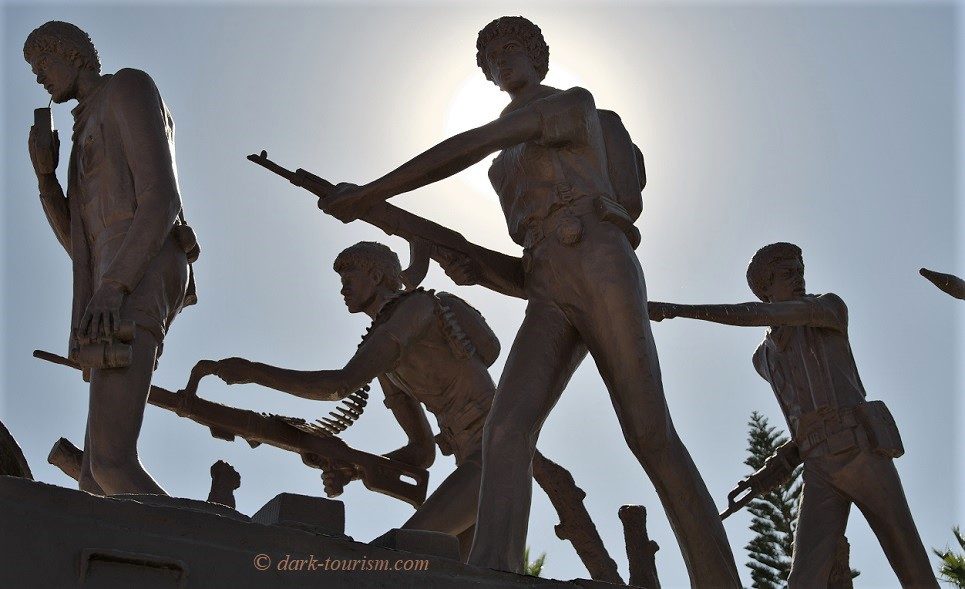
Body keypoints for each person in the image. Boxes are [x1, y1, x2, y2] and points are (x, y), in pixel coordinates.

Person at [316, 16, 740, 584]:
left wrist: (373, 194)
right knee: (505, 431)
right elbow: (527, 272)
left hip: (600, 262)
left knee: (650, 435)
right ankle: (495, 566)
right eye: (492, 57)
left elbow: (473, 143)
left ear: (540, 56)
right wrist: (472, 265)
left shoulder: (572, 106)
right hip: (549, 288)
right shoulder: (502, 173)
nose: (503, 59)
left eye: (513, 48)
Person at [649, 242, 939, 588]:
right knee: (803, 580)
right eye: (788, 273)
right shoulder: (764, 360)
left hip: (862, 455)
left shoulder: (828, 309)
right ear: (765, 286)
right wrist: (778, 464)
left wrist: (677, 309)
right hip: (819, 469)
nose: (799, 278)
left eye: (800, 270)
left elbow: (753, 315)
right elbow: (803, 423)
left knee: (910, 564)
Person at [189, 242, 503, 559]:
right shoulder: (385, 357)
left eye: (348, 279)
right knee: (453, 573)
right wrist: (353, 467)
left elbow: (339, 385)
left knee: (397, 554)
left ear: (377, 275)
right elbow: (421, 452)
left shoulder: (416, 308)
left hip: (496, 453)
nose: (343, 290)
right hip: (471, 460)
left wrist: (254, 372)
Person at [24, 21, 198, 495]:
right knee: (91, 480)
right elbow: (80, 250)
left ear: (72, 53)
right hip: (112, 278)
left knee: (109, 463)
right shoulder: (81, 135)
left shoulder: (128, 86)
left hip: (141, 267)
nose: (39, 77)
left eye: (42, 63)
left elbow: (162, 198)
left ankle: (225, 556)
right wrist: (46, 179)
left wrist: (115, 285)